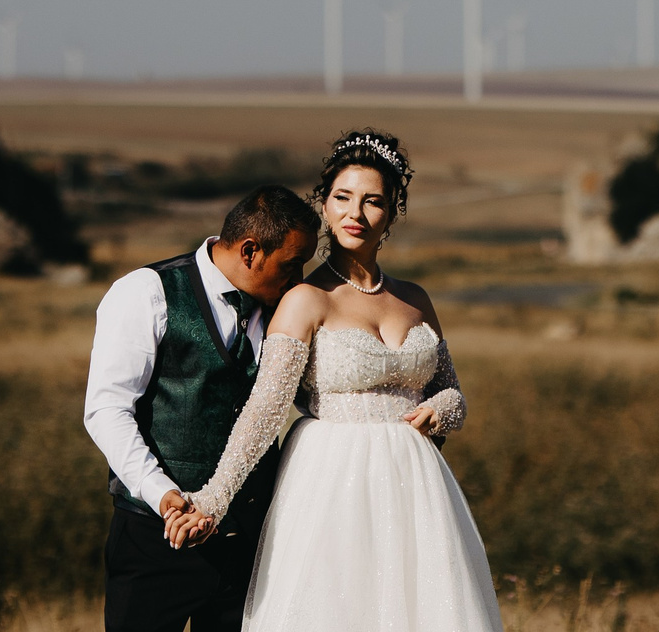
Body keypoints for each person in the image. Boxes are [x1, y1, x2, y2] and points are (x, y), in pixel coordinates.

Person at [176, 127, 504, 632]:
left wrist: (444, 409)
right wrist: (213, 500)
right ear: (325, 206)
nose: (356, 213)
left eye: (373, 201)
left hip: (415, 485)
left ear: (391, 213)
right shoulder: (306, 299)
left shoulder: (416, 299)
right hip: (330, 481)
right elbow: (265, 410)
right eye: (343, 197)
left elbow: (450, 389)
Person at [82, 184, 320, 632]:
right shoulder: (145, 293)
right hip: (155, 541)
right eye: (291, 264)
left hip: (249, 542)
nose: (299, 278)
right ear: (250, 251)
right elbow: (107, 410)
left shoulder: (288, 308)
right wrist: (162, 495)